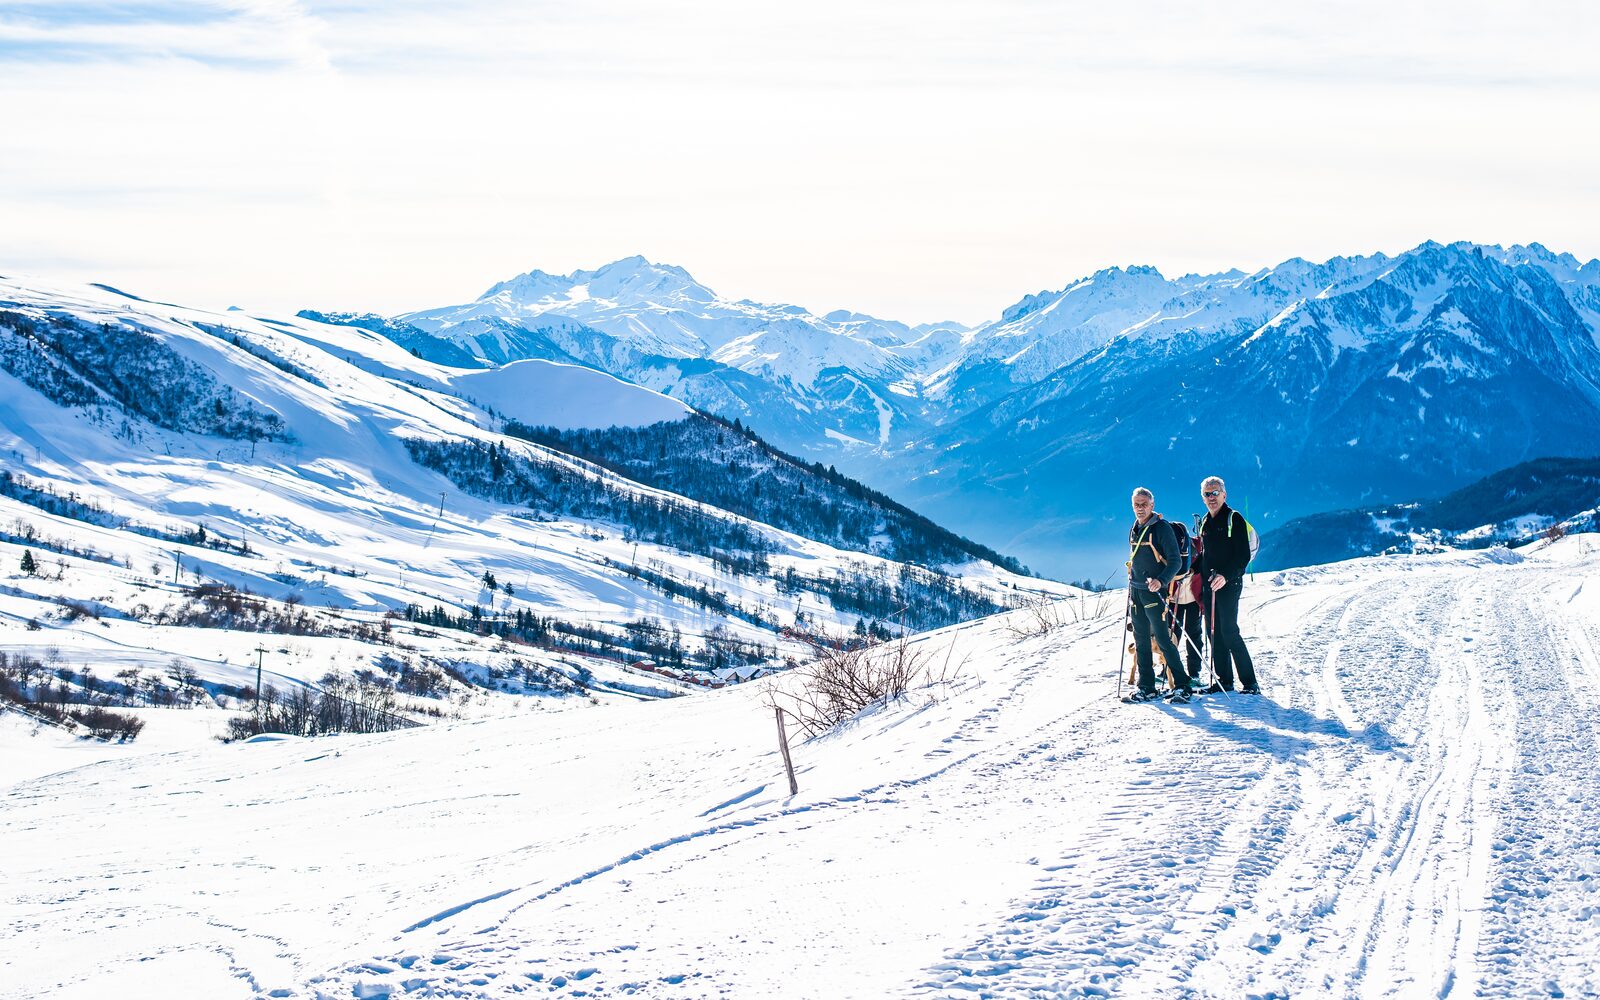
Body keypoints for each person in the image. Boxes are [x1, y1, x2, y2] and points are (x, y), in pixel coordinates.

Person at [1123, 487, 1192, 704]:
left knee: (1163, 639)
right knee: (1141, 640)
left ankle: (1182, 685)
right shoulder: (1134, 528)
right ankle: (1147, 687)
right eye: (1136, 504)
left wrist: (1160, 581)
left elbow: (1176, 561)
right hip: (1136, 591)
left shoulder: (1161, 529)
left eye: (1144, 504)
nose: (1140, 508)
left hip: (1155, 592)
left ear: (1152, 505)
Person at [1195, 476, 1259, 694]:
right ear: (1202, 498)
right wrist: (1190, 571)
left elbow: (1242, 557)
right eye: (1207, 494)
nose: (1211, 497)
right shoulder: (1206, 521)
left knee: (1229, 631)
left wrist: (1226, 576)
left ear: (1224, 494)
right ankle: (1224, 681)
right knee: (1214, 633)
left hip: (1229, 584)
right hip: (1209, 586)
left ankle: (1250, 683)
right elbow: (1205, 555)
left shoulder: (1235, 519)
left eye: (1215, 493)